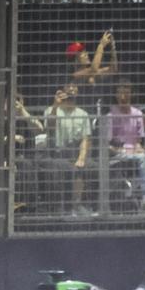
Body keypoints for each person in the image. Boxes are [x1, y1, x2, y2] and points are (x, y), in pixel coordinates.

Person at [107, 81, 145, 205]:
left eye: (126, 93)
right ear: (116, 95)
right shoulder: (111, 115)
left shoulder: (137, 113)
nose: (123, 96)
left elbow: (138, 140)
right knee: (143, 158)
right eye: (120, 93)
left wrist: (139, 147)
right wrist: (120, 150)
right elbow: (108, 144)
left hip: (134, 151)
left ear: (131, 94)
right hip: (119, 152)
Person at [44, 87, 93, 217]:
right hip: (56, 153)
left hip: (76, 153)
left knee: (91, 166)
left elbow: (85, 138)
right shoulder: (51, 110)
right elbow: (49, 127)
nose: (71, 95)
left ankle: (80, 205)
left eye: (74, 92)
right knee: (67, 168)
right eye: (68, 92)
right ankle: (66, 207)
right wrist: (56, 105)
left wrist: (81, 158)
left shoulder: (83, 114)